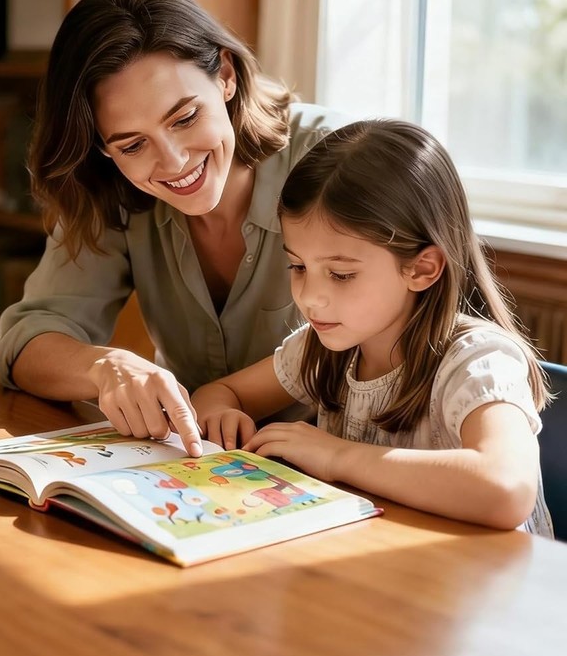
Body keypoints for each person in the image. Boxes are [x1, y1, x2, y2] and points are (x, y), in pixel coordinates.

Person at [0, 0, 356, 457]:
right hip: (201, 470)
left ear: (225, 75)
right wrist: (105, 367)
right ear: (103, 148)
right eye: (132, 144)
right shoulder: (113, 188)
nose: (173, 162)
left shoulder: (340, 159)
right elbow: (26, 342)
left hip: (345, 472)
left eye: (184, 119)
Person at [191, 119, 553, 534]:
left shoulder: (477, 362)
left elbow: (506, 489)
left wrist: (338, 457)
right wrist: (220, 411)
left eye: (341, 275)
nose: (310, 297)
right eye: (297, 266)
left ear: (421, 269)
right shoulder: (323, 348)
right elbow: (221, 391)